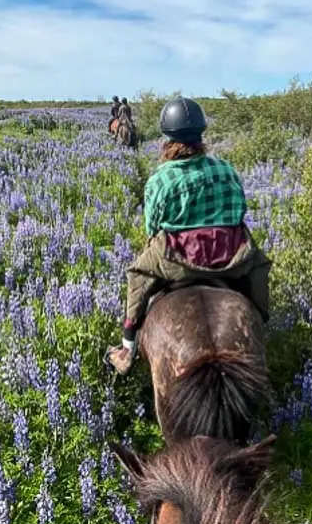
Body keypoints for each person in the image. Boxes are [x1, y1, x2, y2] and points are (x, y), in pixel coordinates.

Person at [106, 96, 271, 376]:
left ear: (167, 137)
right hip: (230, 252)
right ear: (201, 134)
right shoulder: (225, 169)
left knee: (137, 275)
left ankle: (127, 347)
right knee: (259, 268)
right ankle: (262, 325)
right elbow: (239, 209)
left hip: (177, 256)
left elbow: (153, 228)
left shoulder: (161, 178)